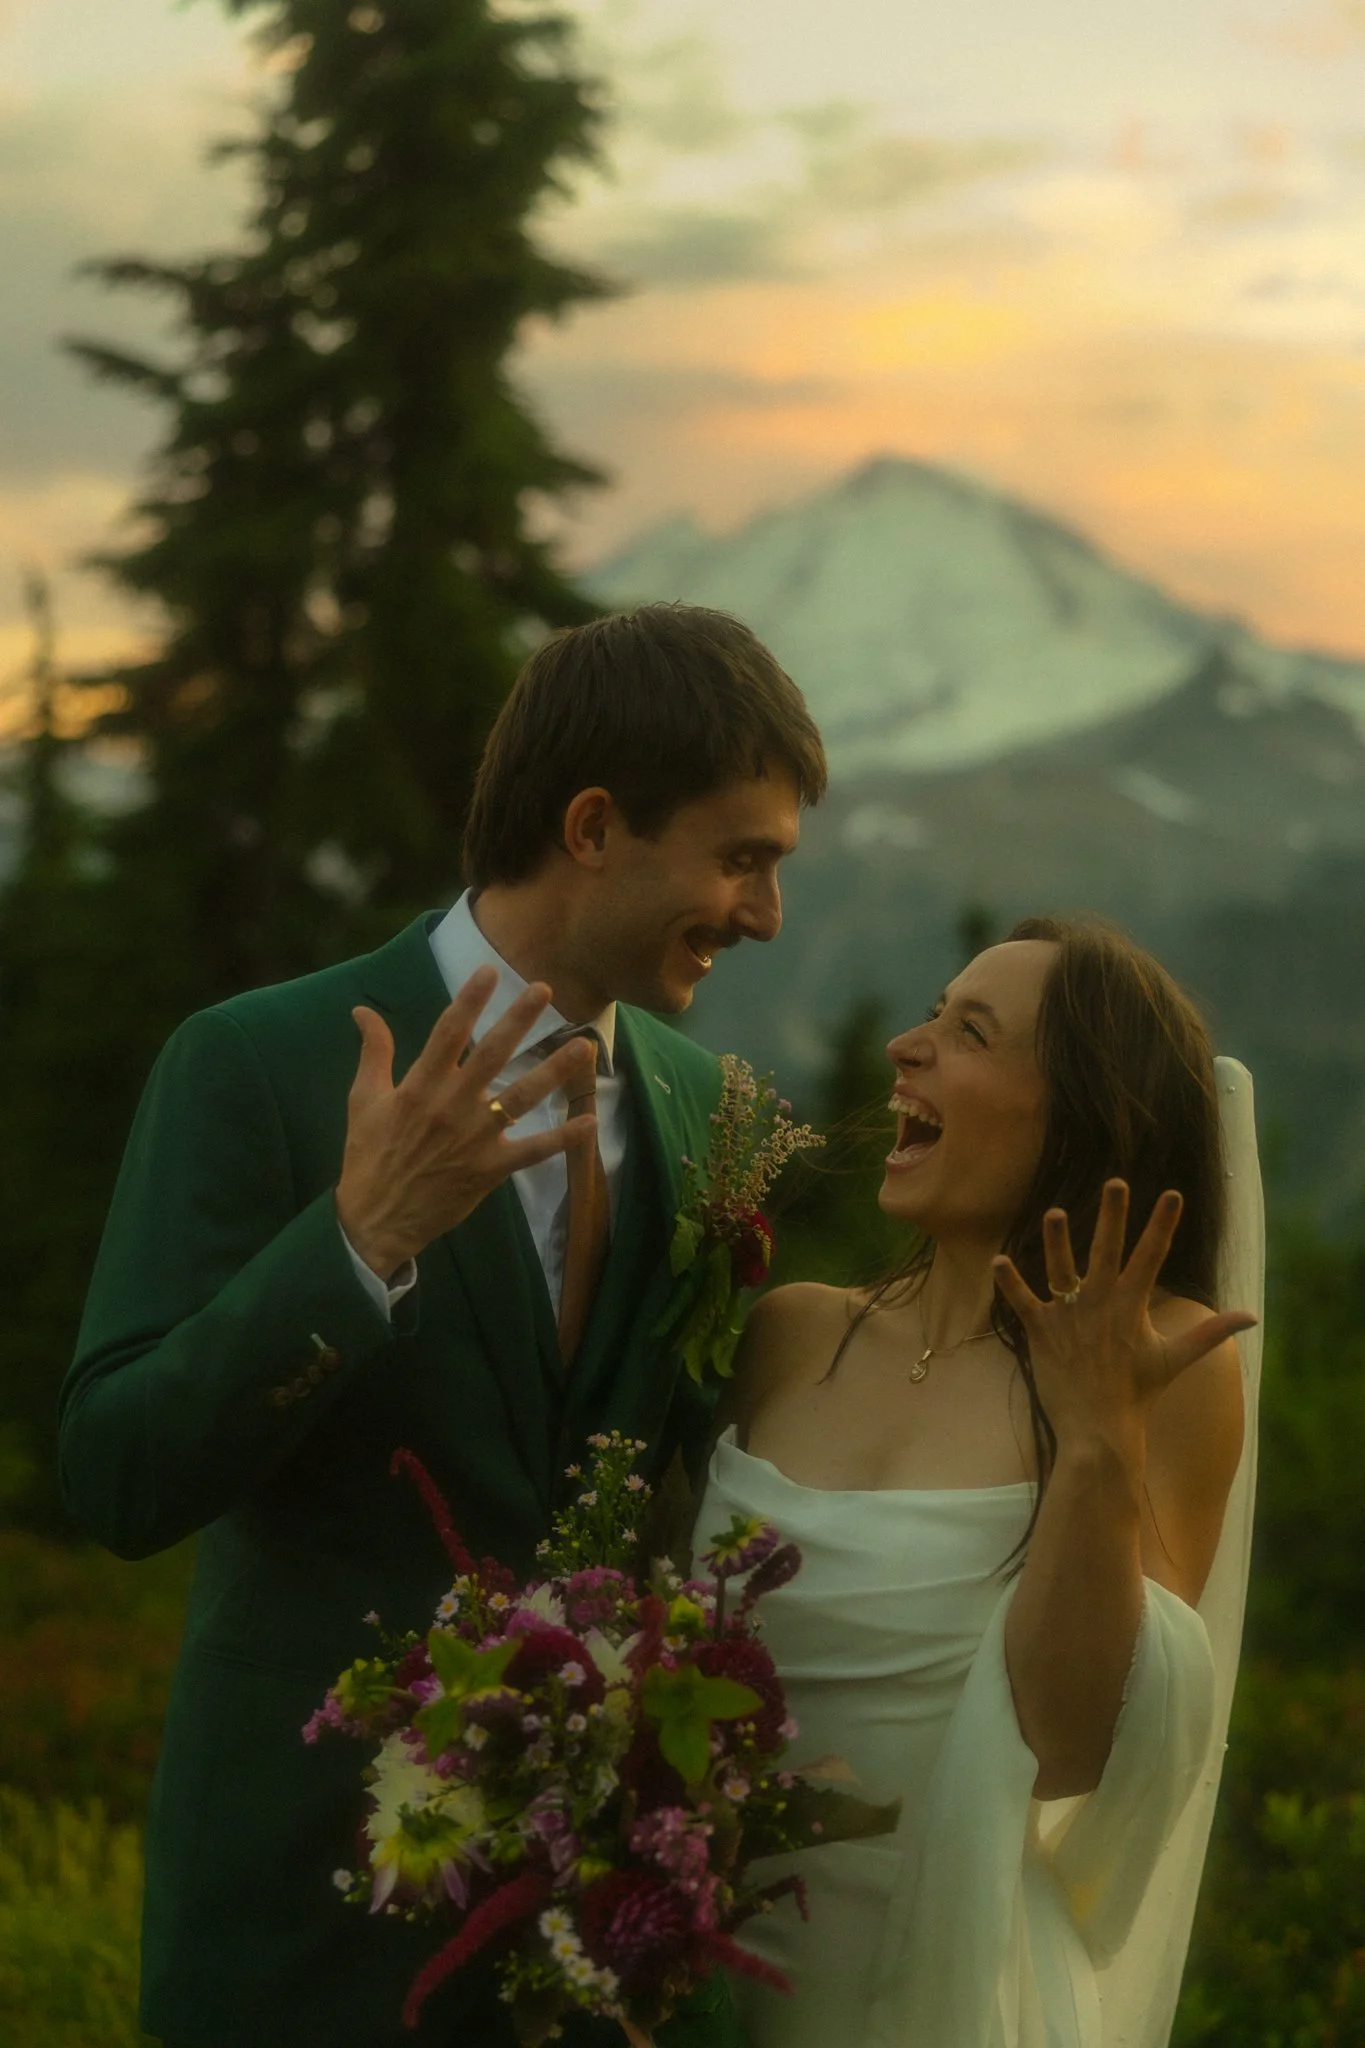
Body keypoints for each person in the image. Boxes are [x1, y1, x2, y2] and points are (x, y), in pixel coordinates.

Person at [58, 603, 826, 2048]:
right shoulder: (255, 1063)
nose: (765, 916)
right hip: (308, 1926)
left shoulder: (708, 1114)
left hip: (594, 1950)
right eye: (742, 859)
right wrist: (356, 1247)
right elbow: (113, 1474)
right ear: (593, 825)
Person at [697, 918, 1264, 2047]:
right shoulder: (790, 1332)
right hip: (699, 1972)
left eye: (970, 1032)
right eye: (931, 1012)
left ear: (1078, 1114)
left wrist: (1096, 1436)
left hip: (944, 1990)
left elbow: (1065, 1740)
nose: (909, 1047)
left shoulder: (1174, 1361)